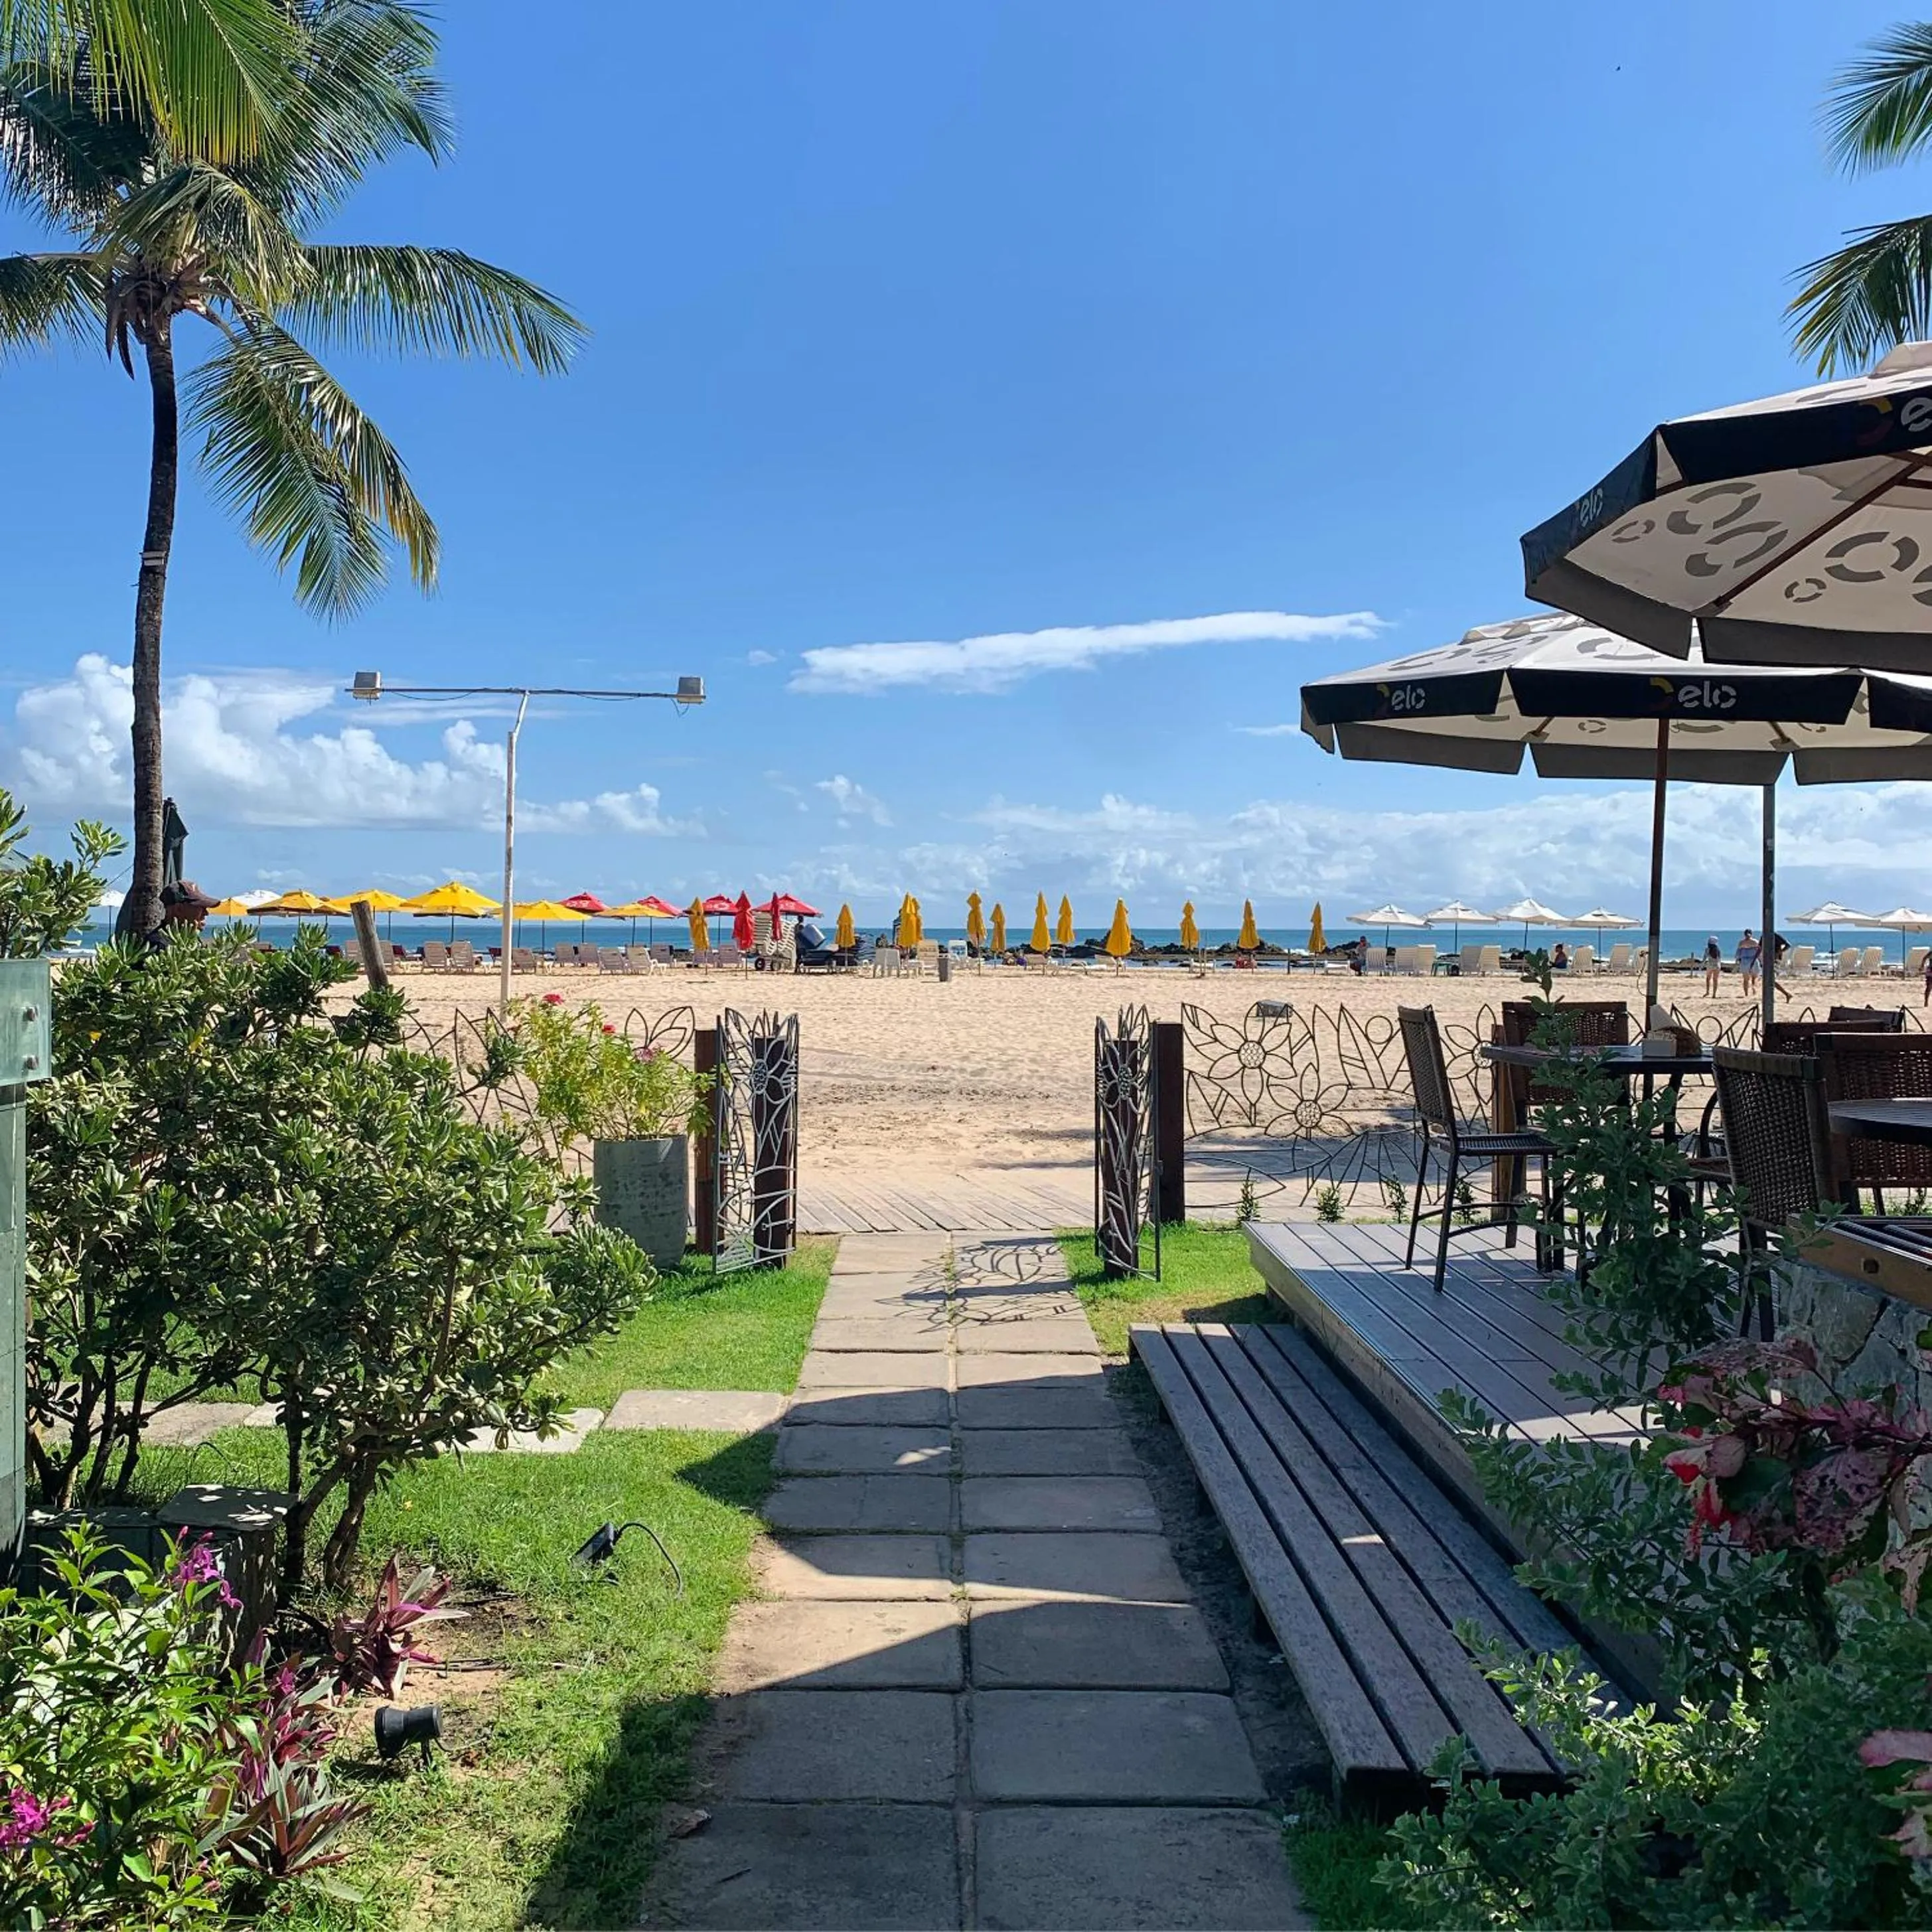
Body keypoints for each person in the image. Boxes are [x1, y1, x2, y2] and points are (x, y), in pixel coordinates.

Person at [141, 879, 216, 951]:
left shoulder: (192, 941)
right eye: (201, 907)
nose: (206, 913)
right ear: (178, 909)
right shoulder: (157, 945)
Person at [1736, 928, 1761, 1000]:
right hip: (1753, 959)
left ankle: (1746, 993)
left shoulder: (1741, 943)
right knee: (1754, 977)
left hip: (1745, 960)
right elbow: (1759, 951)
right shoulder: (1755, 942)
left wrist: (1738, 961)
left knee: (1746, 978)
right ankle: (1753, 991)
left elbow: (1738, 953)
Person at [1702, 934, 1722, 998]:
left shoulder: (1707, 949)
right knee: (1715, 980)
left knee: (1708, 979)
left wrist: (1702, 965)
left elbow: (1705, 958)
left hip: (1710, 965)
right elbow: (1719, 958)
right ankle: (1714, 994)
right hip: (1717, 965)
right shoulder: (1718, 949)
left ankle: (1708, 992)